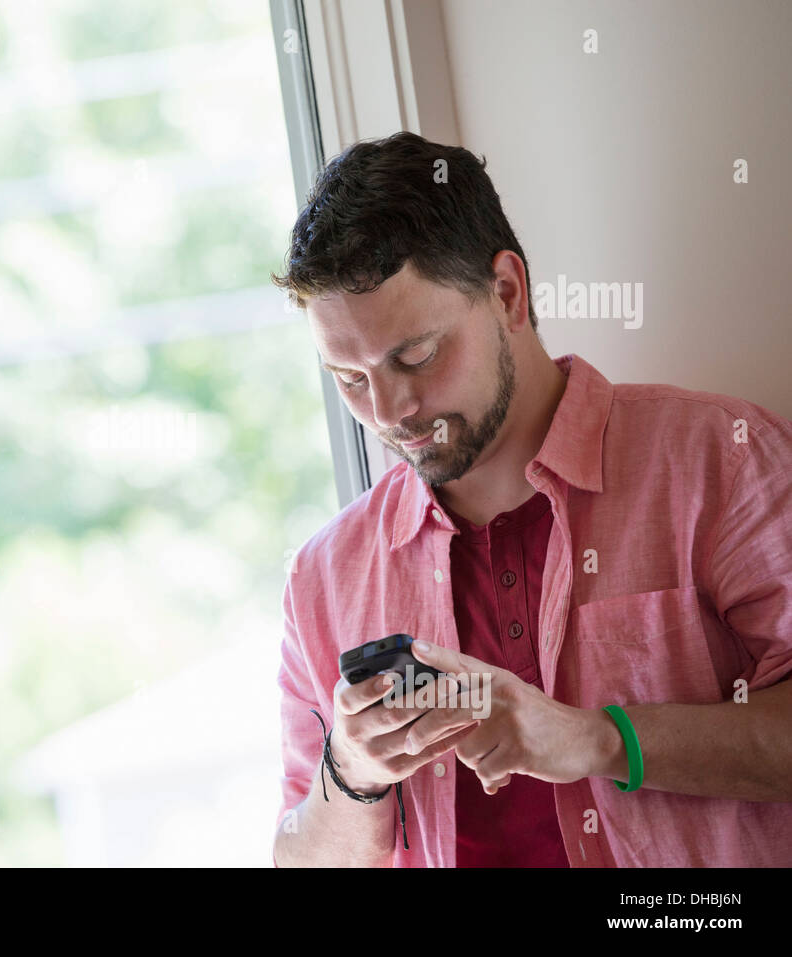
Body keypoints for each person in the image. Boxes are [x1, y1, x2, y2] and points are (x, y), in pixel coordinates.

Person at [269, 131, 792, 867]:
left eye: (414, 355)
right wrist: (350, 773)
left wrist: (599, 740)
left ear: (508, 292)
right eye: (348, 378)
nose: (388, 410)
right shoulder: (324, 578)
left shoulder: (720, 461)